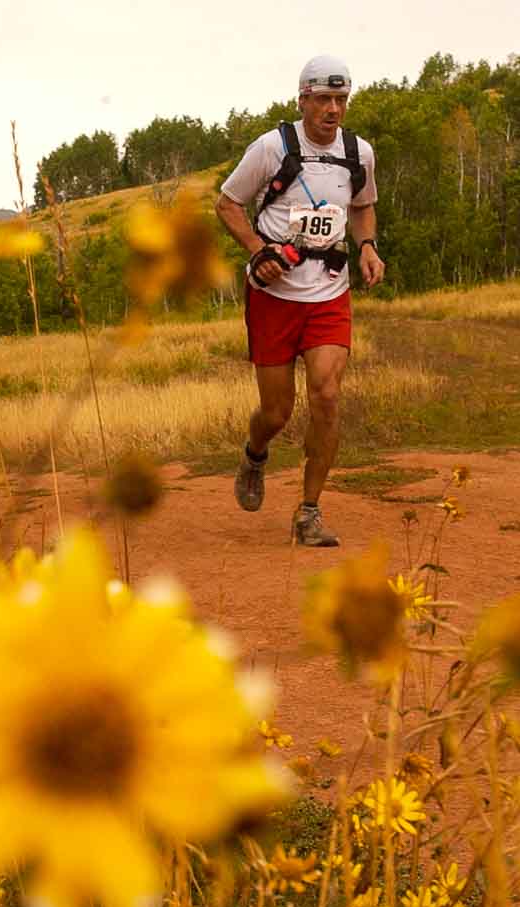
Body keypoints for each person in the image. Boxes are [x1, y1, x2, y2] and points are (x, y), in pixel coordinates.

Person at [215, 54, 385, 546]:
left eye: (341, 99)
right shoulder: (272, 147)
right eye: (324, 99)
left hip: (330, 290)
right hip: (274, 294)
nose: (333, 109)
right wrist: (256, 250)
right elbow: (227, 203)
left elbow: (363, 205)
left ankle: (309, 512)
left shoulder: (360, 153)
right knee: (277, 412)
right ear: (303, 100)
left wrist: (368, 246)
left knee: (327, 396)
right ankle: (254, 454)